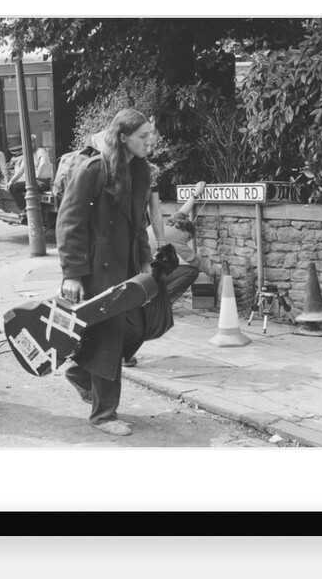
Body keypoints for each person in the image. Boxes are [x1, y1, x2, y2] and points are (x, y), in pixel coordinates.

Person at [56, 108, 154, 437]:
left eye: (149, 135)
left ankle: (83, 375)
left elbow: (140, 221)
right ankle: (104, 416)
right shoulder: (92, 168)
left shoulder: (140, 170)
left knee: (136, 329)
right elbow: (69, 223)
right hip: (96, 269)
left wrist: (144, 260)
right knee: (109, 338)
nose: (148, 142)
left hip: (126, 267)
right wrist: (71, 273)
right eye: (143, 136)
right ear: (123, 137)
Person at [122, 181, 215, 368]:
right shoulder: (179, 238)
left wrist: (197, 193)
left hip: (137, 263)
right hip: (145, 268)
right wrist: (214, 272)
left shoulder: (172, 221)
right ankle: (163, 301)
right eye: (190, 239)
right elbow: (195, 261)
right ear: (187, 233)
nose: (188, 242)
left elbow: (185, 208)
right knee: (191, 271)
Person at [6, 134, 53, 224]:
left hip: (43, 181)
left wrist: (36, 177)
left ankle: (35, 212)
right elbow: (21, 170)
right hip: (33, 181)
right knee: (13, 187)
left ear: (33, 143)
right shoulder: (28, 155)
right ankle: (25, 210)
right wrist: (11, 181)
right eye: (25, 144)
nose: (27, 146)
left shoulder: (40, 151)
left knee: (32, 189)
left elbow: (43, 163)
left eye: (29, 143)